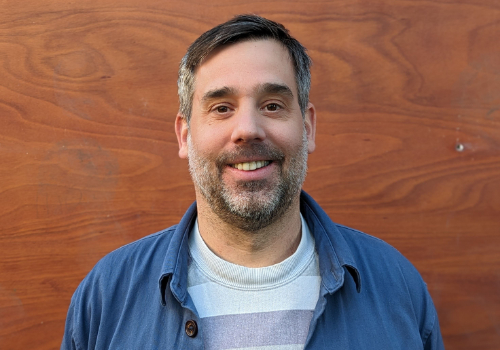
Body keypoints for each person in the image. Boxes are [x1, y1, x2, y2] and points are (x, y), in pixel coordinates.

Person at [61, 14, 444, 350]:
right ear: (184, 136)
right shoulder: (106, 296)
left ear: (307, 127)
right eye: (221, 108)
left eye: (272, 105)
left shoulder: (398, 287)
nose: (247, 129)